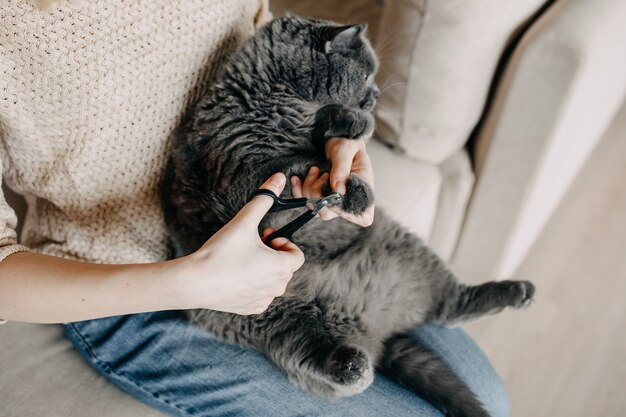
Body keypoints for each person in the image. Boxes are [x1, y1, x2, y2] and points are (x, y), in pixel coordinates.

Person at [0, 1, 509, 416]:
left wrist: (338, 144)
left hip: (289, 235)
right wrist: (194, 282)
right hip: (131, 289)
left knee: (485, 391)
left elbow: (258, 30)